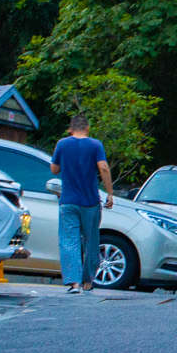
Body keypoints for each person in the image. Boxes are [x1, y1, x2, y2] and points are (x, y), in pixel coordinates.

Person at [49, 114, 113, 294]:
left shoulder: (62, 144)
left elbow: (54, 169)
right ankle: (88, 282)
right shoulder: (95, 145)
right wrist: (110, 193)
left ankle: (73, 283)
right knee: (92, 241)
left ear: (70, 129)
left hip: (68, 201)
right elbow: (103, 168)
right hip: (91, 202)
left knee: (69, 241)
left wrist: (66, 162)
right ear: (88, 128)